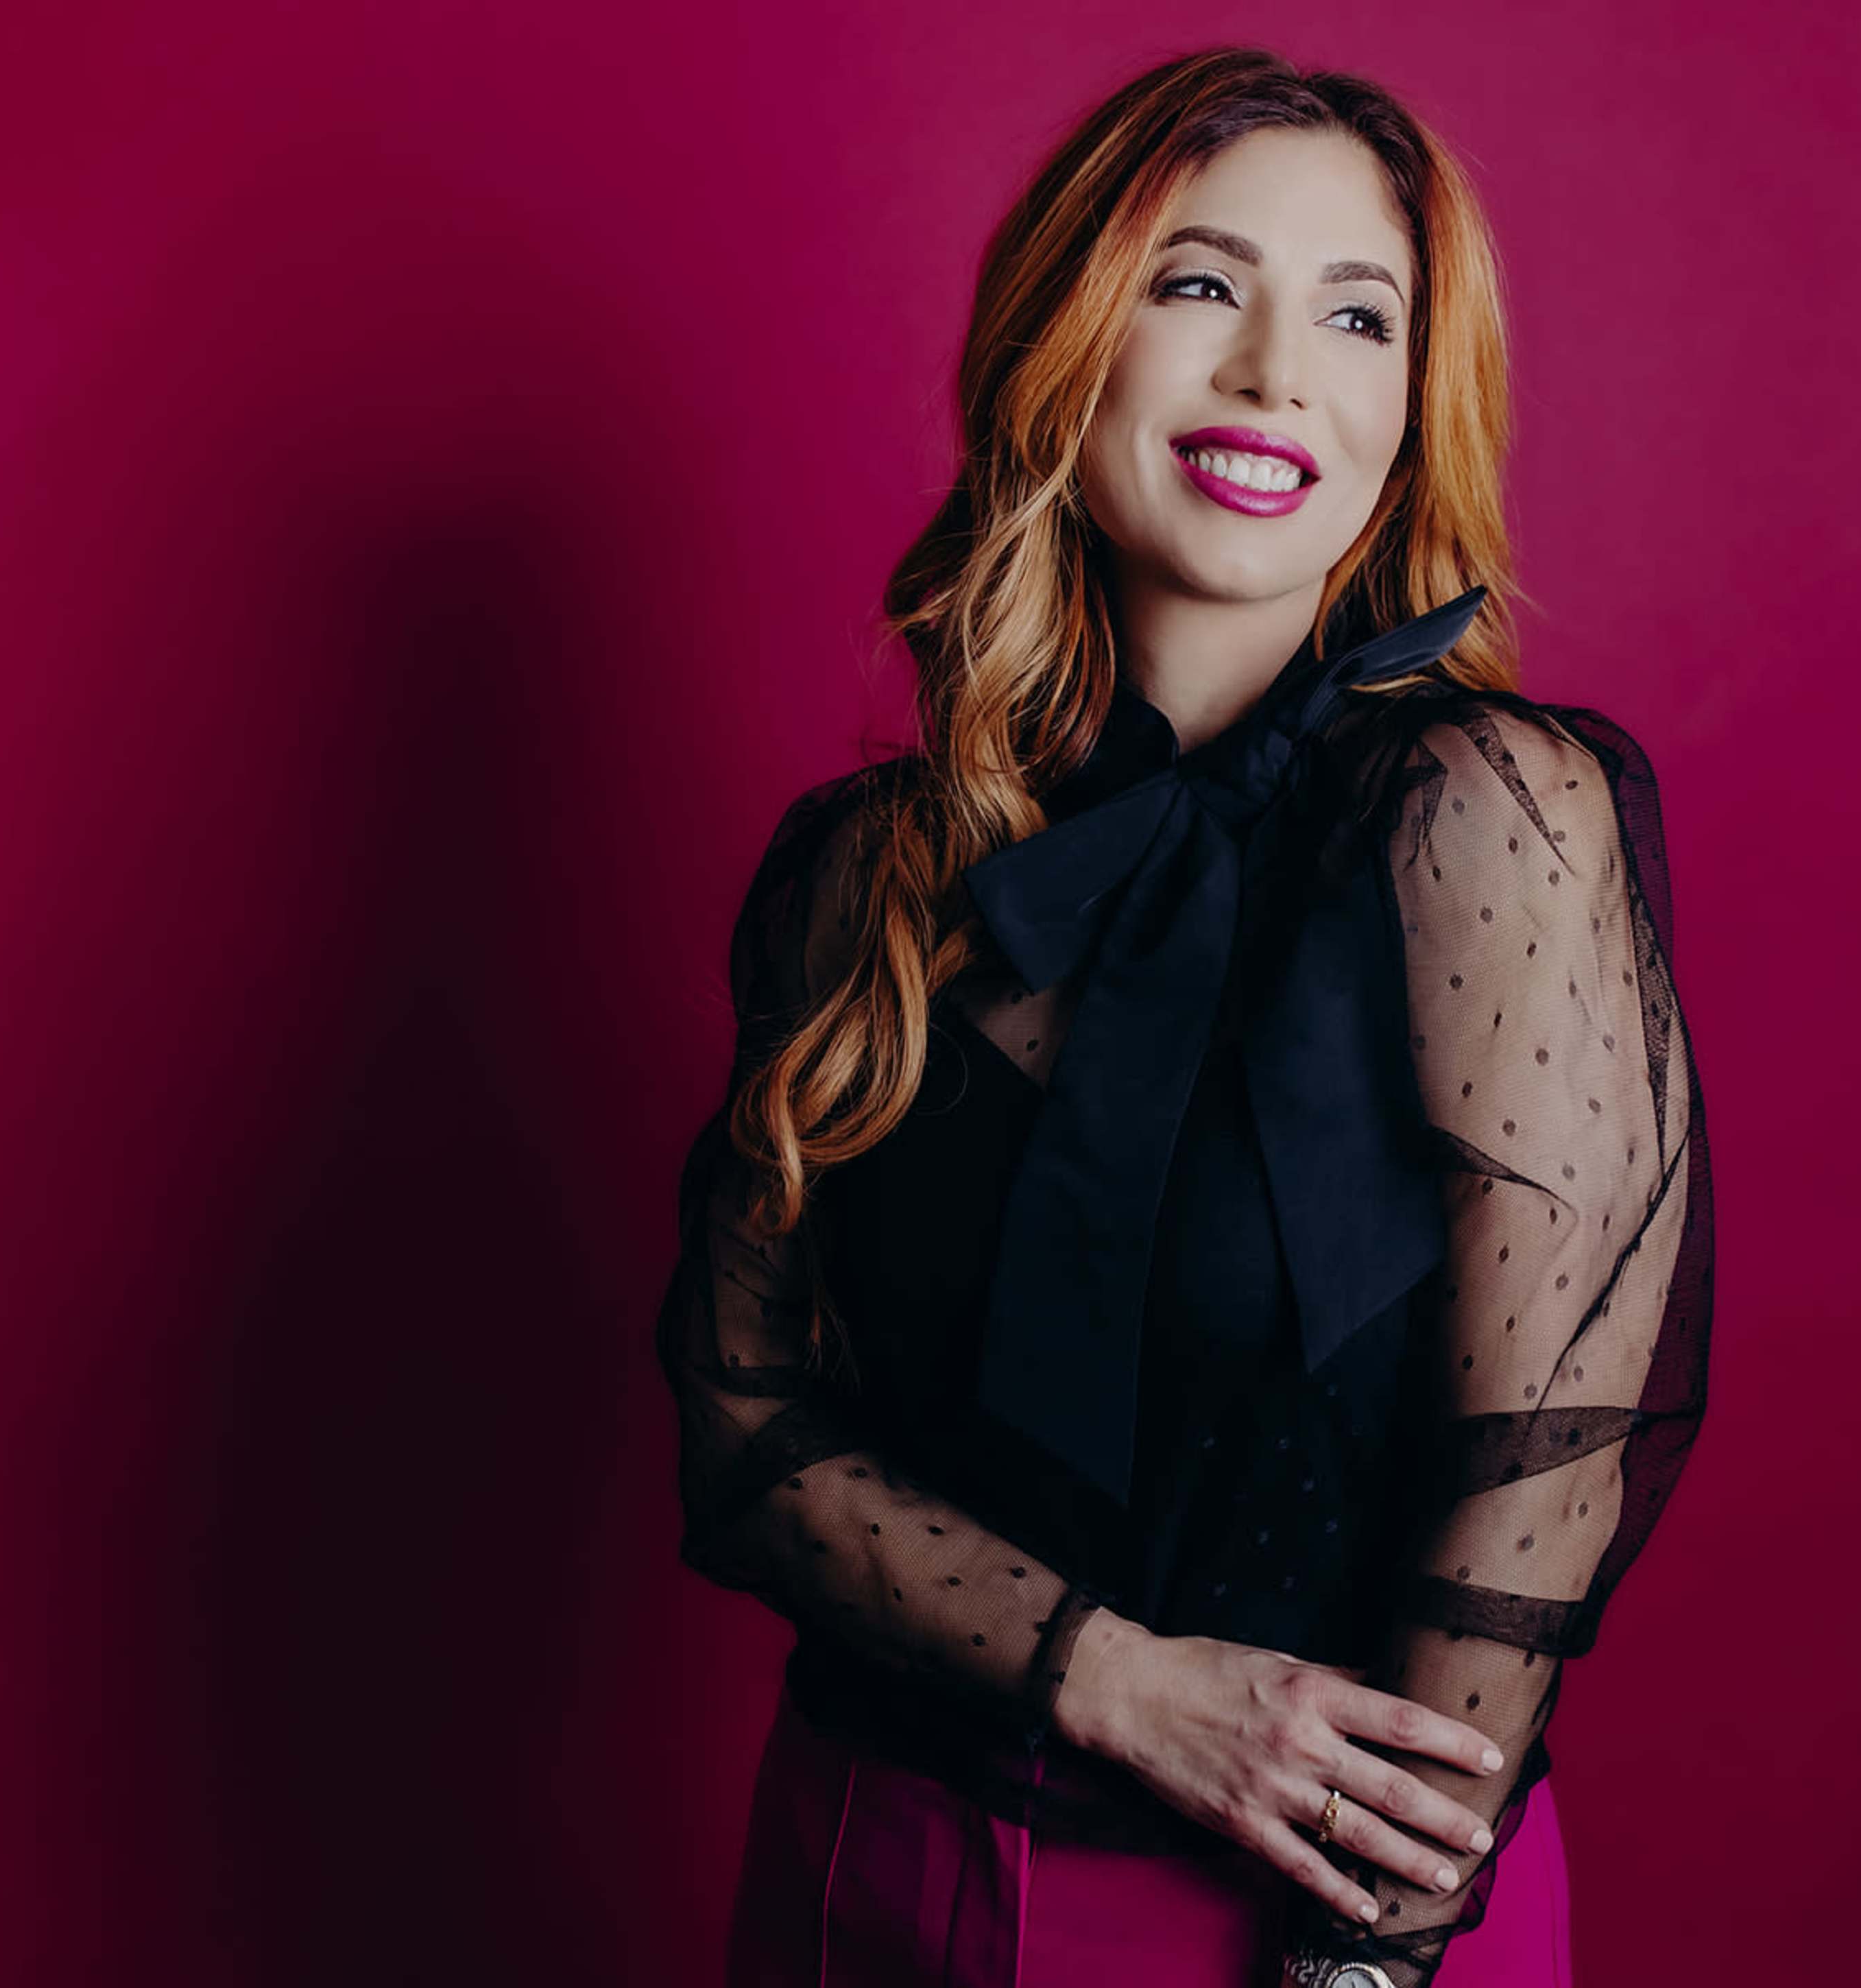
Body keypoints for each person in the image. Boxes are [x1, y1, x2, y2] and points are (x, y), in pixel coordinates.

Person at [655, 45, 1714, 1988]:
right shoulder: (865, 876)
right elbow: (746, 1433)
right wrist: (1116, 1680)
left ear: (1415, 405)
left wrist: (1369, 1953)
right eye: (1200, 283)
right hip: (863, 1868)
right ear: (1074, 335)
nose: (1273, 376)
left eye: (1359, 314)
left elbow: (1543, 1453)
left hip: (1308, 1927)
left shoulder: (1492, 819)